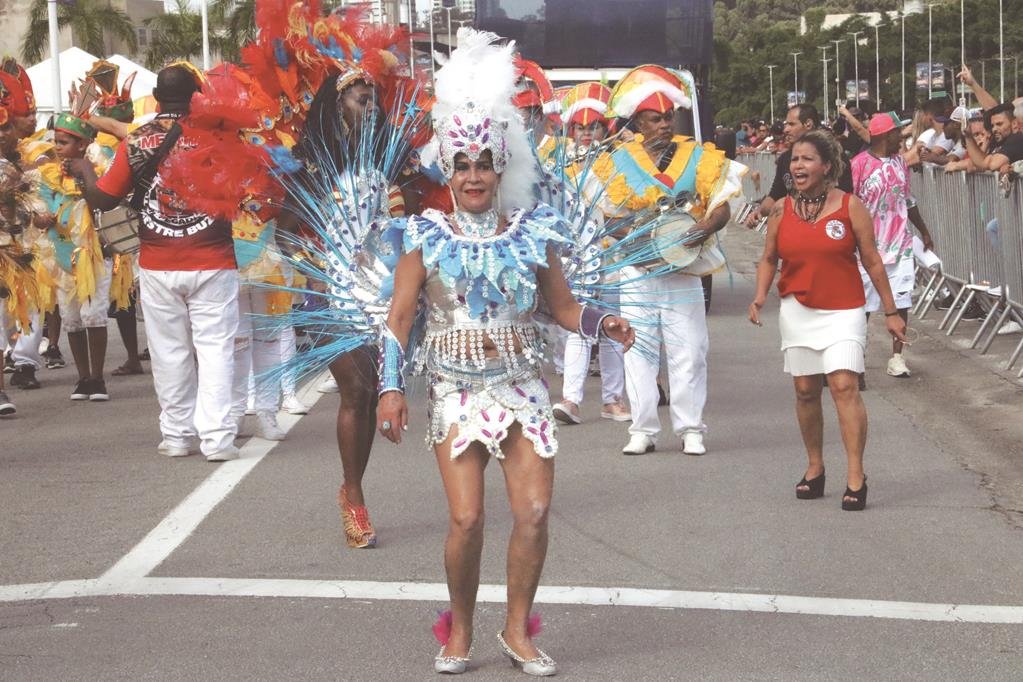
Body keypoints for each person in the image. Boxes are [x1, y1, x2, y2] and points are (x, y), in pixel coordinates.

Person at [376, 30, 634, 676]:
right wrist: (388, 388)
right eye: (461, 165)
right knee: (465, 520)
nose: (471, 176)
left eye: (482, 165)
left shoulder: (533, 234)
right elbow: (400, 317)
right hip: (455, 390)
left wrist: (605, 323)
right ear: (449, 170)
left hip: (521, 385)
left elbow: (563, 308)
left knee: (535, 512)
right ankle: (459, 626)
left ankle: (516, 630)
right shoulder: (421, 235)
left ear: (499, 168)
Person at [71, 63, 241, 462]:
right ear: (196, 97)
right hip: (213, 258)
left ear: (157, 97)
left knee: (169, 352)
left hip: (158, 262)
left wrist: (83, 173)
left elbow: (105, 200)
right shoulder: (221, 137)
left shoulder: (138, 140)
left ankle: (178, 436)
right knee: (215, 350)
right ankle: (217, 440)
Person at [748, 130, 907, 511]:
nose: (798, 165)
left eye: (806, 159)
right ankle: (815, 467)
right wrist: (758, 297)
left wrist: (890, 311)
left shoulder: (850, 206)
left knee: (842, 385)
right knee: (805, 389)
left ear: (827, 167)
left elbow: (871, 260)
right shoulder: (782, 209)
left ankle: (856, 474)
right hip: (798, 309)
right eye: (794, 159)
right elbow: (770, 258)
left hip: (844, 307)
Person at [591, 65, 745, 456]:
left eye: (667, 117)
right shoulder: (615, 160)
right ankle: (642, 429)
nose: (663, 124)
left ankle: (691, 427)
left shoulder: (699, 156)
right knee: (637, 347)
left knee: (690, 349)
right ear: (638, 121)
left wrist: (700, 230)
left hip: (684, 270)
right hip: (638, 271)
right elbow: (608, 218)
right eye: (654, 119)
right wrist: (644, 243)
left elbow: (722, 206)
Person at [549, 81, 629, 425]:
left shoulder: (617, 165)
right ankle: (571, 399)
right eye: (579, 127)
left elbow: (621, 210)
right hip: (576, 260)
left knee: (611, 328)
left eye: (592, 126)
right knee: (579, 326)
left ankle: (613, 400)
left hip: (610, 257)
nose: (585, 133)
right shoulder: (558, 164)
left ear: (604, 128)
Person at [851, 112, 934, 380]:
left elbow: (907, 200)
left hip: (900, 245)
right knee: (861, 308)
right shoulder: (859, 165)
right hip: (867, 248)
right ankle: (857, 360)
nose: (902, 135)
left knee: (901, 303)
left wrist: (924, 230)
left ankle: (897, 357)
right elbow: (849, 205)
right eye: (898, 132)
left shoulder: (900, 163)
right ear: (886, 135)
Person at [36, 113, 112, 400]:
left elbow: (102, 205)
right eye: (56, 141)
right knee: (72, 319)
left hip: (94, 257)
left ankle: (98, 378)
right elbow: (40, 211)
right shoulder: (48, 177)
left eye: (64, 142)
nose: (57, 147)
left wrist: (84, 174)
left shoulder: (99, 171)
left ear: (82, 146)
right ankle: (82, 379)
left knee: (93, 315)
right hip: (63, 256)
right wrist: (41, 219)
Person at [745, 104, 852, 229]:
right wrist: (759, 212)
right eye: (795, 160)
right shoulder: (785, 159)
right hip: (796, 228)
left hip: (828, 228)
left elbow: (844, 197)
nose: (785, 130)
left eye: (791, 124)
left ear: (808, 124)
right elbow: (775, 195)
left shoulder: (833, 156)